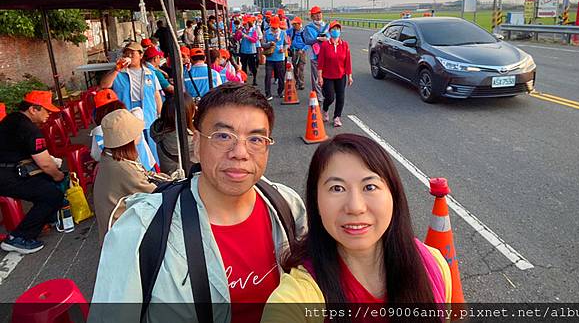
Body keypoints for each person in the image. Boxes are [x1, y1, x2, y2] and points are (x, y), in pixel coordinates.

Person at [92, 83, 307, 323]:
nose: (240, 152)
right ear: (196, 146)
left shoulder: (287, 207)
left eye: (256, 139)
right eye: (223, 136)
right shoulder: (139, 231)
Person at [262, 134, 451, 323]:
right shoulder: (298, 297)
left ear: (393, 195)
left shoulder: (433, 265)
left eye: (369, 187)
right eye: (337, 188)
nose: (355, 207)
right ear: (316, 202)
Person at [0, 91, 65, 254]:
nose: (49, 114)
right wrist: (60, 176)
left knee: (46, 181)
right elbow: (45, 164)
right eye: (46, 110)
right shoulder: (29, 129)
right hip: (7, 176)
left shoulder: (12, 119)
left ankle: (46, 217)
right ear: (33, 109)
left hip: (7, 169)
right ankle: (18, 238)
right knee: (52, 193)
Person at [93, 109, 156, 244]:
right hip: (119, 233)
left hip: (113, 224)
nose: (140, 132)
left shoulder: (109, 156)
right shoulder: (123, 168)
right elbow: (154, 191)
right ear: (128, 138)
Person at [100, 41, 162, 162]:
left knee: (151, 149)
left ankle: (155, 173)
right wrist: (116, 69)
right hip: (127, 114)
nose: (129, 56)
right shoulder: (119, 73)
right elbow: (104, 85)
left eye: (132, 53)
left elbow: (156, 95)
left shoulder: (150, 73)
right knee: (132, 149)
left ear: (141, 55)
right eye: (126, 54)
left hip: (148, 114)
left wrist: (160, 115)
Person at [90, 89, 157, 172]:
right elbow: (137, 110)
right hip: (147, 167)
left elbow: (96, 156)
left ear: (97, 113)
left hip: (121, 174)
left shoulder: (98, 133)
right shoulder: (134, 118)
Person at [317, 21, 353, 128]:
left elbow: (348, 62)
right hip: (328, 76)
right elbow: (321, 62)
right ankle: (325, 109)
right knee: (330, 97)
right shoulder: (325, 45)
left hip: (340, 75)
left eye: (338, 29)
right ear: (329, 31)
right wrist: (320, 76)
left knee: (341, 97)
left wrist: (349, 75)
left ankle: (337, 117)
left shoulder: (345, 45)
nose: (336, 31)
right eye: (333, 29)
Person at [150, 94, 195, 177]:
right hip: (185, 179)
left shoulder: (159, 129)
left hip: (170, 177)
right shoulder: (184, 139)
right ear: (187, 114)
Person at [302, 6, 330, 106]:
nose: (318, 16)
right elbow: (307, 40)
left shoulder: (327, 26)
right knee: (316, 76)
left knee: (326, 75)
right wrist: (318, 39)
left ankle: (326, 92)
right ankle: (318, 95)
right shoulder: (308, 28)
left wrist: (327, 39)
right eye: (315, 14)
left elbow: (331, 38)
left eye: (319, 13)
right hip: (315, 55)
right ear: (312, 16)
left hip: (327, 55)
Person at [262, 16, 288, 101]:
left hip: (280, 59)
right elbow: (262, 44)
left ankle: (280, 92)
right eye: (273, 27)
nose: (274, 28)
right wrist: (269, 44)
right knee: (268, 76)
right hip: (270, 58)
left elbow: (287, 44)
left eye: (276, 27)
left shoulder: (283, 33)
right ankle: (268, 94)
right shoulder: (266, 33)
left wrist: (283, 49)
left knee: (281, 76)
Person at [236, 16, 259, 86]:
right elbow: (237, 38)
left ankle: (254, 79)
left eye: (246, 24)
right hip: (243, 51)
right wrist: (238, 33)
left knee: (253, 66)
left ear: (249, 24)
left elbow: (254, 40)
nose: (245, 25)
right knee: (244, 66)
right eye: (244, 24)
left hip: (252, 51)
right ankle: (244, 80)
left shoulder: (254, 30)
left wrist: (246, 36)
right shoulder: (242, 30)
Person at [287, 16, 308, 90]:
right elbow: (284, 33)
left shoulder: (304, 32)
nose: (294, 26)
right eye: (293, 24)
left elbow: (308, 43)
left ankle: (301, 83)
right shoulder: (291, 31)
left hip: (301, 52)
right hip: (294, 51)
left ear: (299, 24)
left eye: (295, 24)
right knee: (295, 68)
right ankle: (296, 82)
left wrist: (302, 49)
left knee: (301, 68)